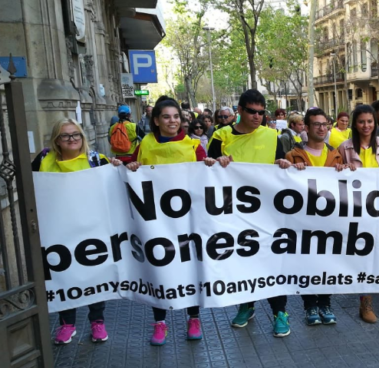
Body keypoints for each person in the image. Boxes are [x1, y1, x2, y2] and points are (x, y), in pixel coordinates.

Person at [125, 96, 214, 346]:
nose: (172, 121)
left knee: (190, 266)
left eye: (176, 116)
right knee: (159, 267)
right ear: (156, 120)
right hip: (156, 220)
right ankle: (159, 322)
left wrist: (209, 164)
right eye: (166, 116)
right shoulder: (145, 145)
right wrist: (130, 166)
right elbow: (131, 167)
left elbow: (206, 181)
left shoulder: (193, 146)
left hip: (187, 219)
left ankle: (193, 317)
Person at [207, 89, 291, 338]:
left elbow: (280, 165)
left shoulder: (273, 135)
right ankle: (247, 304)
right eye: (252, 112)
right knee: (242, 260)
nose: (257, 117)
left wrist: (284, 164)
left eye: (261, 112)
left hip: (268, 211)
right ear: (239, 111)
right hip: (234, 212)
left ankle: (280, 313)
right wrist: (216, 162)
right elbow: (207, 170)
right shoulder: (221, 135)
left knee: (273, 261)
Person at [32, 118, 121, 345]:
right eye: (65, 135)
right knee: (63, 275)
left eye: (76, 135)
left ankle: (97, 322)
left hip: (92, 228)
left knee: (94, 275)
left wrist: (122, 168)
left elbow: (115, 186)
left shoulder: (96, 160)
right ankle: (67, 324)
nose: (72, 139)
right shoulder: (43, 160)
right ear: (56, 140)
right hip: (57, 230)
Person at [281, 107, 347, 326]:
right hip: (304, 223)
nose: (321, 128)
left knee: (328, 262)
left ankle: (325, 304)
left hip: (330, 222)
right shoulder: (293, 155)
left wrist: (347, 171)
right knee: (307, 264)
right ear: (306, 128)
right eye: (316, 124)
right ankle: (310, 306)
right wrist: (287, 168)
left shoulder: (336, 154)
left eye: (324, 123)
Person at [339, 104, 379, 324]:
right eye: (361, 121)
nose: (366, 126)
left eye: (370, 121)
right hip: (359, 212)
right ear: (355, 123)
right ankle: (366, 303)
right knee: (364, 257)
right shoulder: (345, 147)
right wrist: (343, 170)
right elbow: (336, 176)